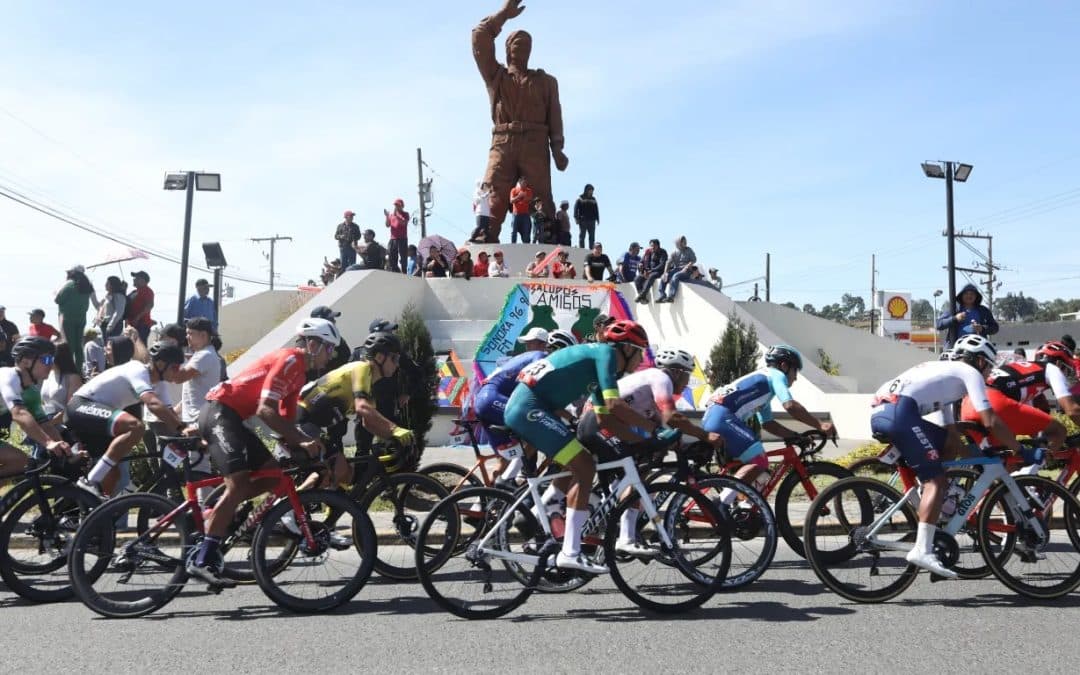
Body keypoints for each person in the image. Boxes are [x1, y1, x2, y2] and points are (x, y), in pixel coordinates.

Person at [188, 319, 341, 586]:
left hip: (235, 418)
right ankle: (203, 559)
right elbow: (265, 409)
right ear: (313, 344)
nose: (332, 356)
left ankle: (219, 511)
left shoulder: (300, 374)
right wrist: (301, 440)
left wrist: (304, 446)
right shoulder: (291, 359)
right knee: (238, 484)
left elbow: (286, 417)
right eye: (329, 349)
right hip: (220, 412)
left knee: (272, 475)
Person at [503, 320, 660, 573]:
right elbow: (615, 406)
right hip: (529, 409)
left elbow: (604, 418)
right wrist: (652, 428)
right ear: (627, 348)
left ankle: (548, 513)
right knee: (584, 465)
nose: (641, 359)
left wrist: (640, 441)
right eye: (640, 352)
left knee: (581, 461)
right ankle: (570, 551)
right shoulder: (606, 354)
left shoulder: (600, 363)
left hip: (533, 408)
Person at [870, 335, 1020, 576]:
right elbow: (990, 419)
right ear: (980, 361)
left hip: (882, 411)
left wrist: (963, 447)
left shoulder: (944, 375)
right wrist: (1017, 448)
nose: (988, 374)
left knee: (947, 445)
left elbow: (950, 432)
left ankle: (935, 503)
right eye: (989, 367)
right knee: (936, 482)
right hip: (899, 412)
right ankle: (922, 549)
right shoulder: (969, 372)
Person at [575, 347, 723, 552]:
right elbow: (672, 417)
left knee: (641, 465)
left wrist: (680, 445)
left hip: (600, 423)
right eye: (687, 375)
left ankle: (614, 526)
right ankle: (625, 537)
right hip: (598, 422)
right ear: (677, 372)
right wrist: (705, 435)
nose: (687, 382)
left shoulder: (649, 387)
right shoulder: (661, 378)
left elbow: (662, 426)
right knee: (635, 475)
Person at [473, 0, 568, 242]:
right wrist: (503, 15)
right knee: (493, 189)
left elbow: (554, 114)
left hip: (535, 142)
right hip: (503, 141)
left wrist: (557, 148)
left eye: (527, 45)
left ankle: (547, 235)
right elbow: (479, 37)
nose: (522, 48)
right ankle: (487, 232)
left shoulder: (546, 82)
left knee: (541, 194)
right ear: (508, 49)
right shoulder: (497, 77)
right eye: (517, 43)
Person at [703, 345, 836, 502]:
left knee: (760, 471)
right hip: (723, 418)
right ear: (784, 366)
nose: (795, 378)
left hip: (715, 417)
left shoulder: (763, 385)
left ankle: (747, 506)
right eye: (795, 371)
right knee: (760, 461)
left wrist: (795, 436)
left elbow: (768, 424)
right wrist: (819, 425)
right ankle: (721, 502)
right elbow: (790, 405)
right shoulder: (776, 375)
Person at [297, 331, 414, 488]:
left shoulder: (369, 383)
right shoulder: (362, 368)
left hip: (310, 422)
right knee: (333, 471)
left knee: (346, 475)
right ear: (380, 357)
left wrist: (392, 439)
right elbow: (362, 407)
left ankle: (311, 499)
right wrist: (395, 429)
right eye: (394, 358)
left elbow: (368, 423)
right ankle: (293, 503)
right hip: (302, 419)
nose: (397, 364)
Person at [69, 342, 187, 497]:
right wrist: (181, 429)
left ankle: (96, 507)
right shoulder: (137, 369)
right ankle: (90, 481)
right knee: (136, 426)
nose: (178, 372)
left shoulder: (159, 384)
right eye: (175, 367)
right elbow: (152, 404)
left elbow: (169, 414)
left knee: (113, 473)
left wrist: (189, 433)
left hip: (97, 415)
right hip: (82, 405)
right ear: (160, 364)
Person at [472, 329, 578, 486]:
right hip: (492, 399)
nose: (527, 347)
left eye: (530, 343)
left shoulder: (528, 357)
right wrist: (572, 419)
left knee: (505, 459)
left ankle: (489, 497)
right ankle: (512, 479)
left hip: (485, 400)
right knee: (538, 431)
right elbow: (542, 399)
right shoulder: (541, 358)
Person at [961, 340, 1080, 453]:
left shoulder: (1024, 371)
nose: (1067, 375)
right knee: (1059, 431)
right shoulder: (1052, 369)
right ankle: (1040, 464)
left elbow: (1033, 427)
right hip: (993, 402)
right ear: (1059, 363)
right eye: (1067, 369)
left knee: (1004, 461)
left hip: (969, 404)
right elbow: (1072, 410)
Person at [0, 338, 70, 477]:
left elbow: (44, 425)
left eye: (52, 360)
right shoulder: (8, 376)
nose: (51, 365)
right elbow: (19, 413)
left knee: (21, 462)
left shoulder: (31, 391)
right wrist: (48, 442)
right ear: (26, 362)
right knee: (19, 460)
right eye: (46, 360)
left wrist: (67, 451)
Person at [936, 283, 999, 349]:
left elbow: (995, 327)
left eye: (972, 294)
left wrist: (982, 328)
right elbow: (938, 324)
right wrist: (955, 318)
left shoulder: (983, 310)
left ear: (976, 296)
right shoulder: (954, 309)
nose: (969, 296)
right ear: (961, 296)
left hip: (977, 349)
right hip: (955, 349)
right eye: (966, 293)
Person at [55, 264, 94, 370]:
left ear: (72, 273)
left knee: (69, 346)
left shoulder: (69, 284)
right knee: (78, 347)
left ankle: (68, 371)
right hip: (81, 319)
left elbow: (57, 300)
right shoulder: (87, 285)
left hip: (67, 320)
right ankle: (78, 371)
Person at [39, 341, 83, 418]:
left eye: (49, 358)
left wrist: (51, 422)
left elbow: (71, 409)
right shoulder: (48, 374)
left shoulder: (73, 378)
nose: (46, 361)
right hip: (47, 420)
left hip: (63, 422)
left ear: (59, 358)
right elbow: (43, 402)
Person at [310, 306, 351, 372]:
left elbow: (348, 359)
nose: (334, 321)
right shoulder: (311, 347)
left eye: (333, 319)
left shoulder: (339, 341)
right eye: (330, 319)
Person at [656, 236, 697, 303]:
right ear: (678, 243)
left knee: (675, 276)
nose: (685, 242)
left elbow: (693, 260)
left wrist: (686, 267)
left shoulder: (689, 250)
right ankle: (662, 295)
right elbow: (668, 262)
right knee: (664, 277)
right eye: (683, 241)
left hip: (686, 270)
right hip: (676, 269)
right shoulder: (674, 252)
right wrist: (665, 272)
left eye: (685, 241)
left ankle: (671, 296)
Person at [126, 271, 155, 345]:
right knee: (131, 346)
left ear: (143, 280)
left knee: (140, 345)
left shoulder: (147, 291)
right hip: (132, 324)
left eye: (136, 278)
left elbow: (150, 305)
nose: (134, 279)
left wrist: (138, 317)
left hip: (141, 324)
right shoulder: (134, 292)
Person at [384, 198, 410, 274]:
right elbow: (387, 225)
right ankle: (395, 272)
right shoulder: (391, 215)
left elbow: (404, 223)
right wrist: (387, 216)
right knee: (391, 256)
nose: (397, 206)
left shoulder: (405, 214)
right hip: (393, 239)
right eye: (395, 205)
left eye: (398, 205)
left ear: (402, 206)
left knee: (403, 257)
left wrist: (397, 215)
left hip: (402, 239)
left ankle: (404, 273)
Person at [573, 184, 600, 249]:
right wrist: (576, 218)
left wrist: (597, 219)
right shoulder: (580, 198)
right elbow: (576, 209)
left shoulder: (593, 199)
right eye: (590, 190)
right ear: (586, 190)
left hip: (592, 220)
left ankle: (591, 249)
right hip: (583, 220)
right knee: (582, 236)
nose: (591, 192)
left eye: (592, 190)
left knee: (592, 236)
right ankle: (582, 248)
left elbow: (596, 209)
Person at [509, 177, 534, 244]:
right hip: (516, 214)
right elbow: (511, 201)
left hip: (525, 214)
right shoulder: (514, 190)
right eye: (523, 182)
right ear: (519, 182)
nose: (525, 184)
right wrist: (519, 196)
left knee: (526, 231)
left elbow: (530, 200)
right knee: (513, 231)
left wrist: (524, 197)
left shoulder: (529, 190)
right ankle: (513, 245)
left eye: (526, 182)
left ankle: (526, 245)